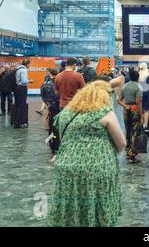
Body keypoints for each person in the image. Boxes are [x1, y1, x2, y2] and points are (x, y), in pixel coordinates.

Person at [48, 81, 126, 227]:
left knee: (71, 203)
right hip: (98, 168)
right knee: (96, 203)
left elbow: (64, 139)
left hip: (67, 168)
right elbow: (121, 144)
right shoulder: (105, 114)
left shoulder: (65, 114)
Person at [118, 68, 143, 163]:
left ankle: (127, 151)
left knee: (128, 131)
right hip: (135, 111)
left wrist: (125, 105)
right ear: (138, 77)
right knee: (136, 132)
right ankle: (132, 154)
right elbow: (138, 103)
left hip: (126, 111)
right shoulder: (138, 87)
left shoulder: (124, 86)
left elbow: (119, 99)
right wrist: (141, 116)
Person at [14, 59, 34, 128]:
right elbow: (23, 81)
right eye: (29, 64)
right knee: (21, 106)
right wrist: (30, 81)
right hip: (22, 88)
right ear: (27, 64)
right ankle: (19, 123)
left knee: (17, 105)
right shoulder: (24, 70)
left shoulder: (18, 69)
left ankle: (15, 121)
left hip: (17, 88)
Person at [138, 63, 149, 131]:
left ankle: (141, 124)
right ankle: (145, 125)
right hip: (147, 92)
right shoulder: (148, 74)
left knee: (140, 108)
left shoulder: (138, 74)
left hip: (140, 92)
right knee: (146, 109)